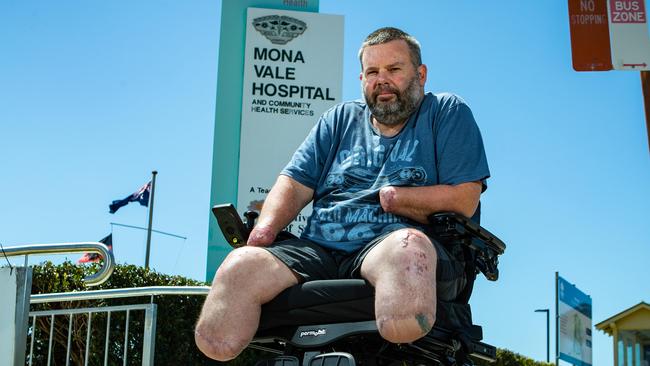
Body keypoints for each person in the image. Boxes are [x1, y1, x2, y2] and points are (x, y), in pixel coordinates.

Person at [195, 26, 490, 361]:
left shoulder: (446, 112)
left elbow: (464, 199)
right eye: (373, 72)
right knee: (239, 269)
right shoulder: (339, 119)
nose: (382, 80)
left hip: (391, 243)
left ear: (420, 74)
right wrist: (265, 229)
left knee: (408, 250)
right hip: (320, 250)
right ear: (362, 78)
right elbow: (293, 182)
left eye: (394, 69)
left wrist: (398, 199)